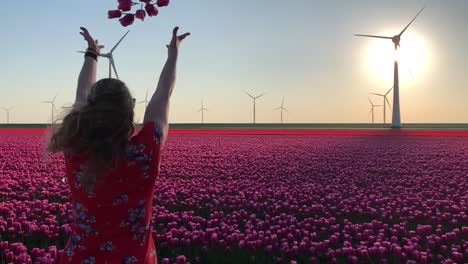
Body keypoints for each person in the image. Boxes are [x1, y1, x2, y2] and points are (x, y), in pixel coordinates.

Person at [46, 26, 190, 264]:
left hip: (81, 257)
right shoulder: (145, 150)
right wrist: (173, 56)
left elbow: (82, 94)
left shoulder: (76, 149)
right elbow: (164, 93)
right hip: (134, 258)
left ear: (88, 113)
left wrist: (92, 54)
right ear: (129, 113)